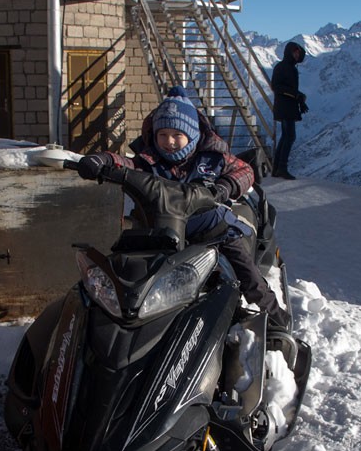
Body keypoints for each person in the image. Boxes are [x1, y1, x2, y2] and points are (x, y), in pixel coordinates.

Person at [77, 86, 291, 330]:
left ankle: (276, 321)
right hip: (162, 235)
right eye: (162, 134)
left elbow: (245, 171)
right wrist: (102, 161)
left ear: (192, 134)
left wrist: (224, 187)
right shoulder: (148, 162)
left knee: (249, 276)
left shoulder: (212, 158)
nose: (168, 141)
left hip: (214, 231)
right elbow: (124, 163)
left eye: (177, 134)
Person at [270, 41, 308, 180]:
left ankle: (276, 168)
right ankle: (282, 168)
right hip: (286, 106)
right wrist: (296, 95)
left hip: (286, 105)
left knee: (286, 136)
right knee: (290, 136)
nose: (298, 55)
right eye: (296, 52)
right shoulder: (285, 67)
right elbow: (277, 86)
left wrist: (299, 99)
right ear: (291, 52)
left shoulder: (287, 67)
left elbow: (284, 88)